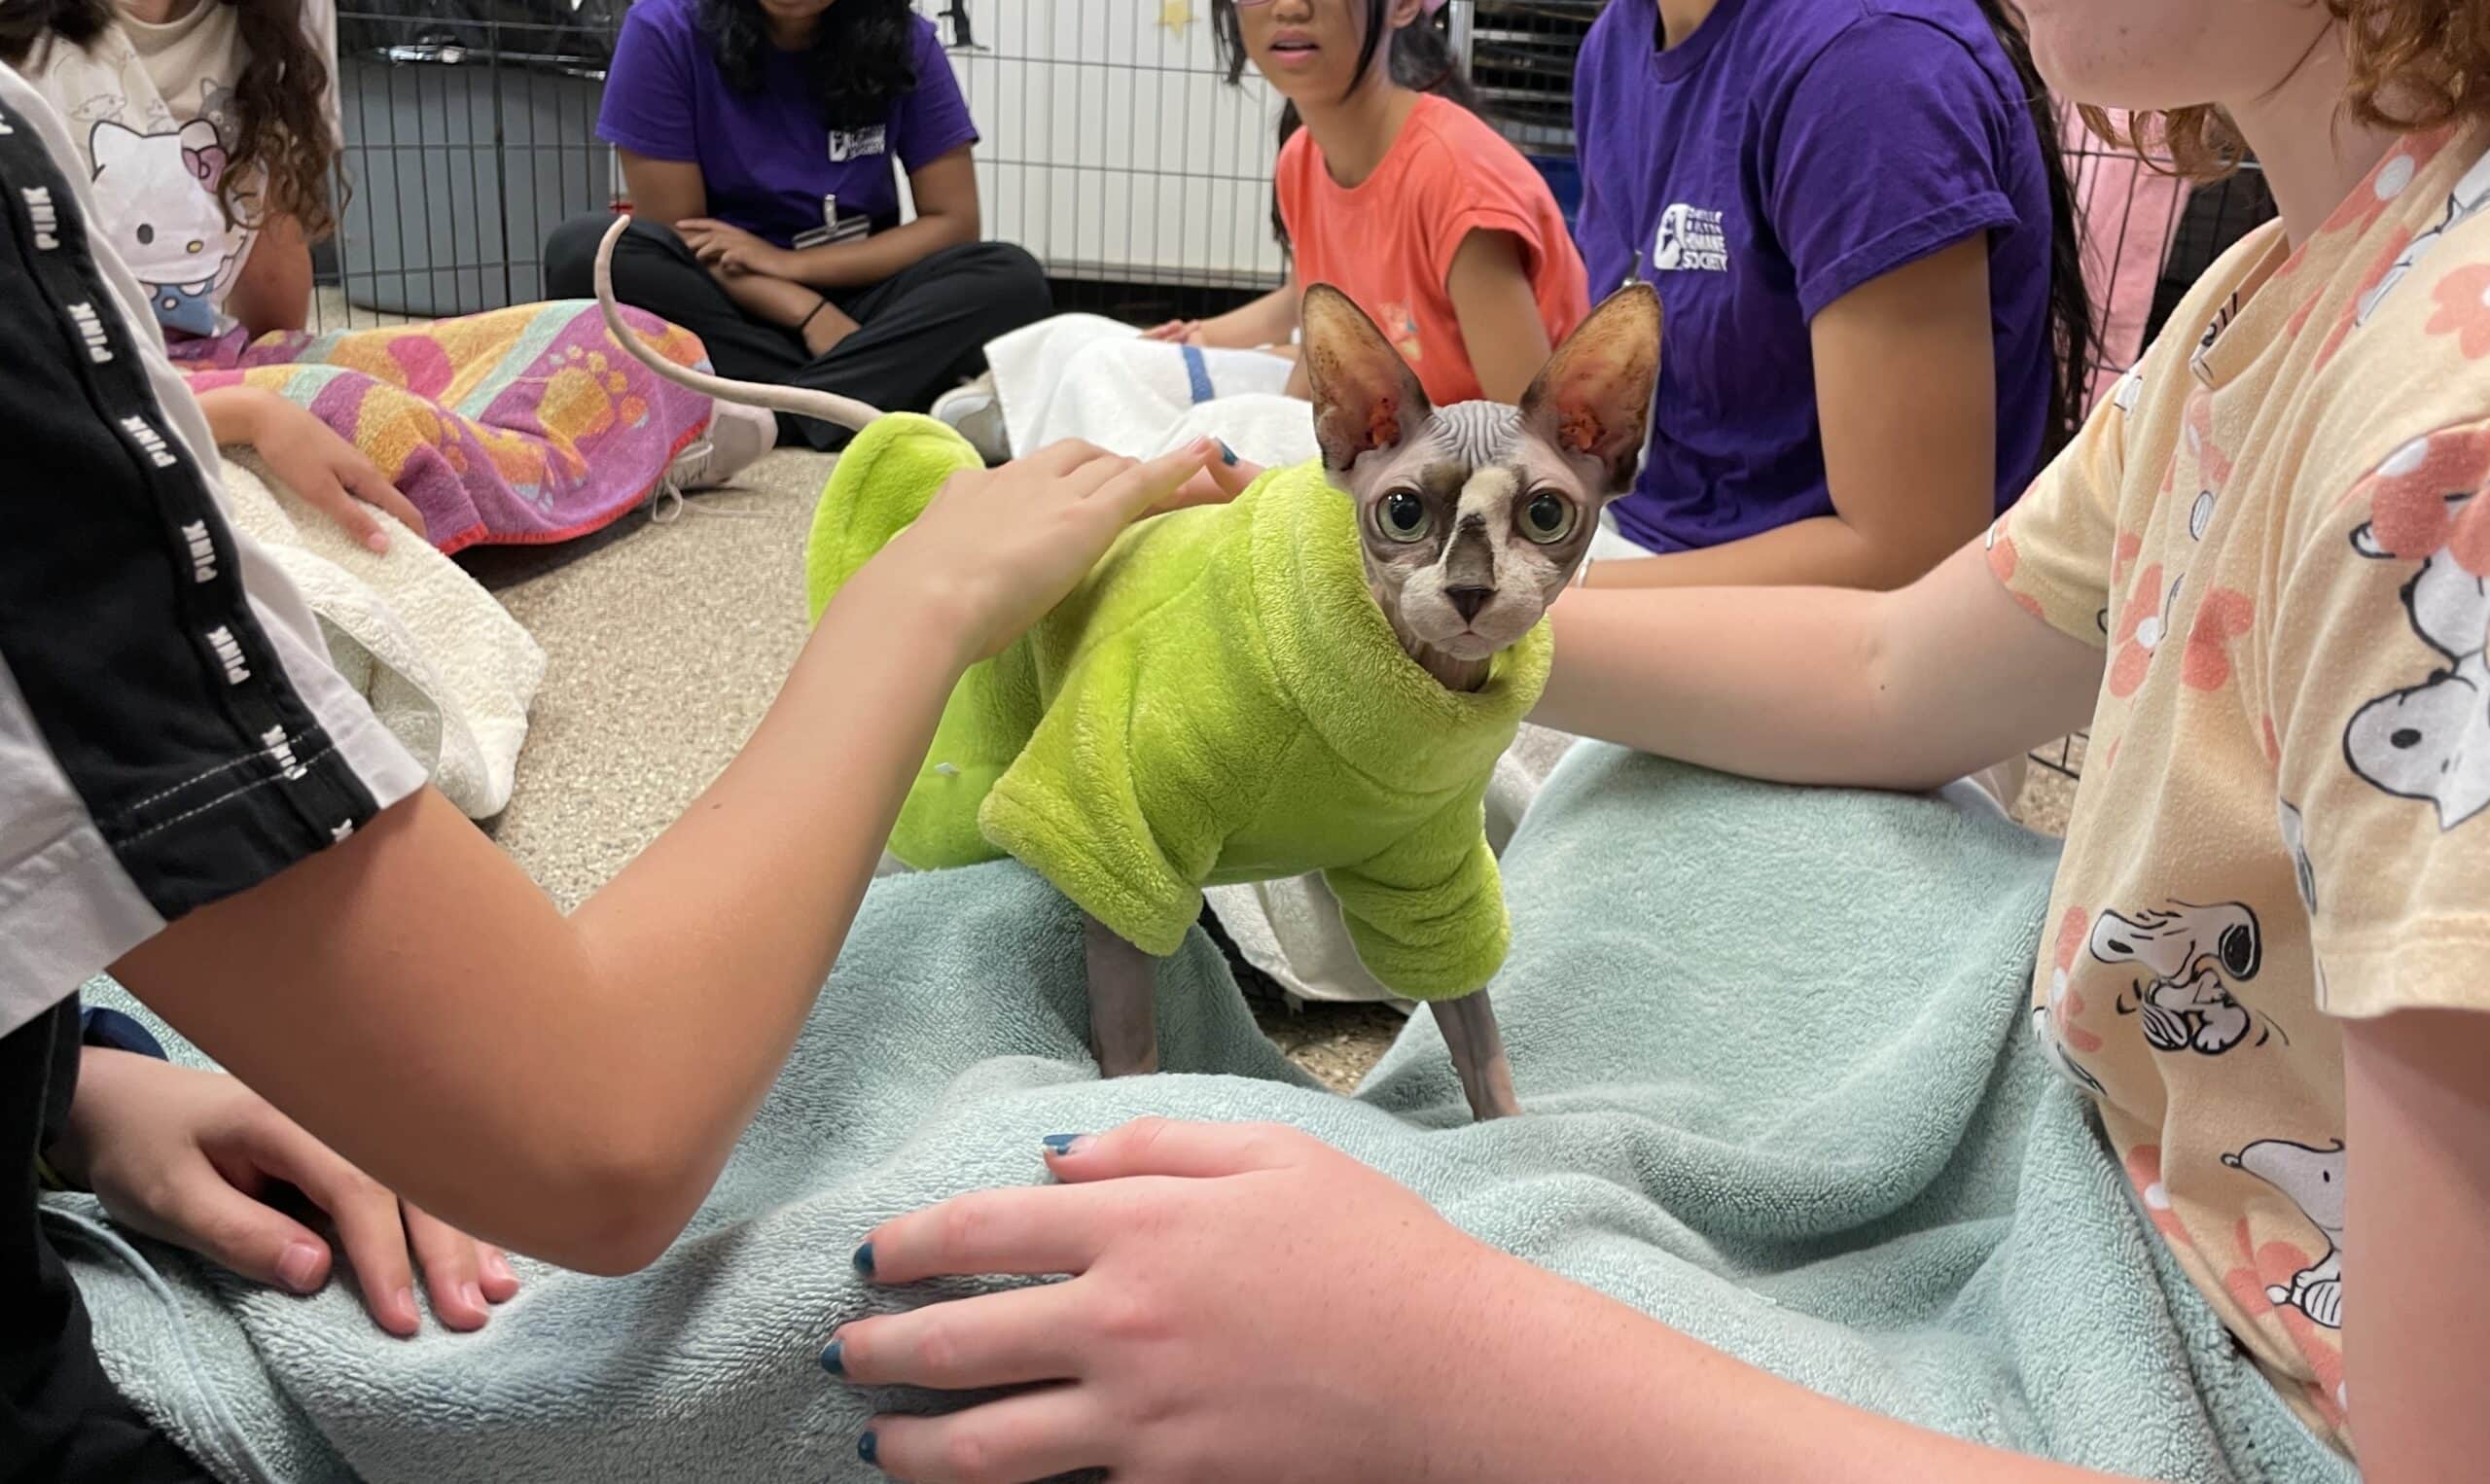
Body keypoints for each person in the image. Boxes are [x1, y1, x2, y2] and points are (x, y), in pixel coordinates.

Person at [813, 3, 2489, 1479]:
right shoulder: (2265, 302)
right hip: (2118, 1115)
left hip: (2220, 1356)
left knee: (996, 1227)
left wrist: (1435, 1366)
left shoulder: (2441, 453)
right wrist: (1379, 645)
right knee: (1621, 799)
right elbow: (1902, 667)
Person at [0, 57, 1248, 1479]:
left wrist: (77, 1088)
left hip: (826, 303)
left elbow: (955, 236)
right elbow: (600, 1138)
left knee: (995, 286)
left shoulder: (892, 41)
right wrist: (926, 592)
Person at [10, 0, 765, 555]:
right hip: (64, 374)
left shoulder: (284, 16)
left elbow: (274, 258)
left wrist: (285, 368)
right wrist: (253, 412)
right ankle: (622, 456)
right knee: (342, 407)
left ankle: (632, 439)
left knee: (608, 332)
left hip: (203, 355)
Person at [1570, 0, 2096, 594]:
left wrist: (1546, 595)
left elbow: (1912, 558)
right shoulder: (1618, 42)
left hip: (1838, 634)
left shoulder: (1873, 66)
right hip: (1646, 540)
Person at [932, 0, 1588, 466]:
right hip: (1381, 434)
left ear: (1407, 4)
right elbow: (1320, 347)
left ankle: (1044, 446)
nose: (1289, 7)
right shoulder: (1303, 160)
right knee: (1109, 357)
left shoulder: (1457, 184)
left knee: (1215, 427)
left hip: (1461, 476)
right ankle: (1038, 438)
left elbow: (1530, 445)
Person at [545, 0, 1052, 452]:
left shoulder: (908, 41)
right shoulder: (664, 27)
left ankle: (767, 411)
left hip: (858, 292)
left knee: (1012, 276)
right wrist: (807, 313)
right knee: (588, 253)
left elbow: (954, 222)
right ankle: (859, 397)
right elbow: (685, 234)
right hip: (727, 293)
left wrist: (795, 266)